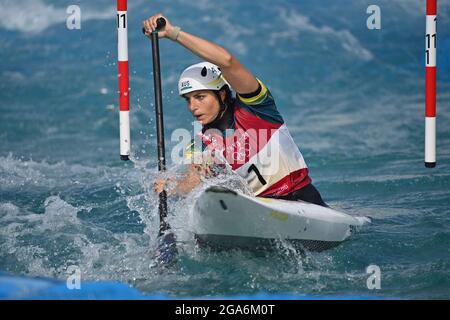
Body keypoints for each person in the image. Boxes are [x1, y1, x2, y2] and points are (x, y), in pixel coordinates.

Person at [143, 14, 327, 207]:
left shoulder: (256, 108)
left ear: (222, 95)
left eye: (200, 97)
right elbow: (192, 182)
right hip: (258, 213)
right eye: (188, 100)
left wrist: (173, 33)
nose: (192, 107)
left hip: (304, 200)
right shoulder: (200, 144)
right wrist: (170, 186)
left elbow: (227, 61)